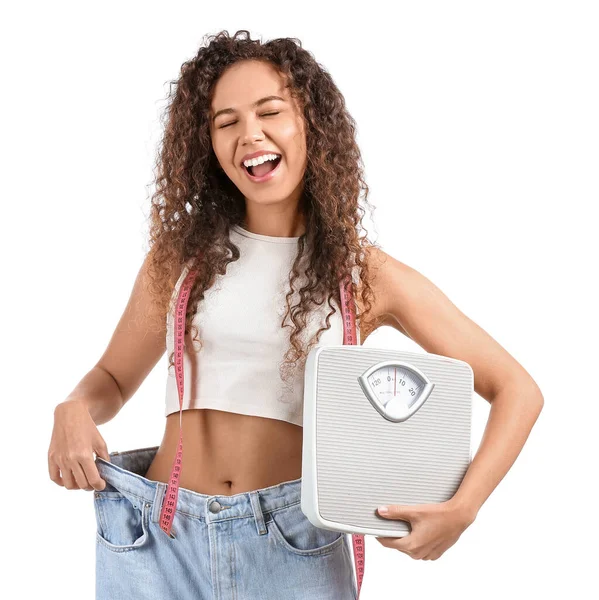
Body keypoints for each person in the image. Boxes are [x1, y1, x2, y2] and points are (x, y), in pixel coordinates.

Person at [47, 30, 544, 600]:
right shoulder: (180, 260)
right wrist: (75, 407)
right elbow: (112, 379)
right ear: (206, 144)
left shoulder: (363, 274)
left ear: (311, 122)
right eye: (225, 121)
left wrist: (464, 508)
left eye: (269, 111)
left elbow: (517, 390)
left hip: (292, 543)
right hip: (155, 538)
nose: (249, 134)